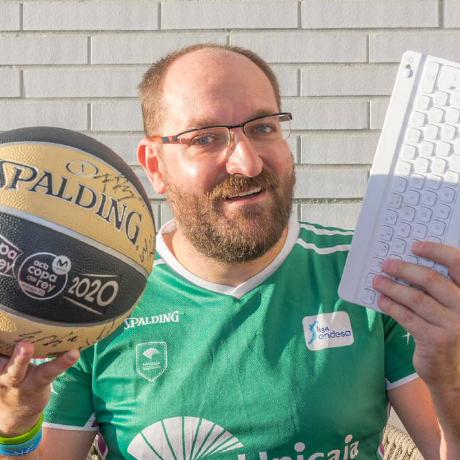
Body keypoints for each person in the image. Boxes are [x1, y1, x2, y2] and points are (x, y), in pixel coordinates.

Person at [0, 43, 459, 460]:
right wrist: (16, 427)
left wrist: (452, 379)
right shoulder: (97, 303)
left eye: (263, 127)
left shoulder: (370, 277)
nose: (248, 162)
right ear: (156, 166)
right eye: (205, 138)